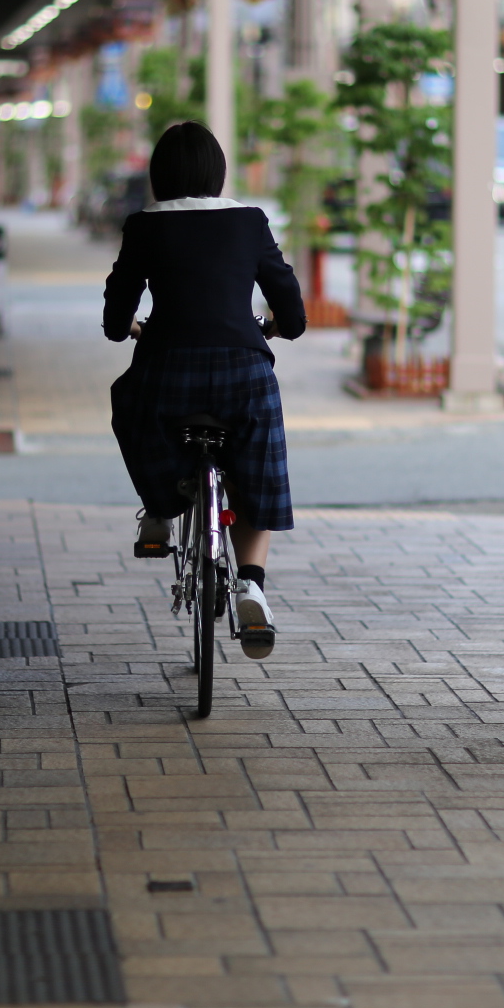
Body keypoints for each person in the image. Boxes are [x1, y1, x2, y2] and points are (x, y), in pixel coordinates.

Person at [104, 121, 306, 659]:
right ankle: (253, 586)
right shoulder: (249, 220)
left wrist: (132, 327)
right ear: (218, 173)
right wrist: (276, 326)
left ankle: (158, 508)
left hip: (166, 369)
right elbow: (290, 303)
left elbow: (116, 313)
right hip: (244, 372)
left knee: (130, 404)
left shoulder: (144, 225)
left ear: (158, 175)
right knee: (256, 470)